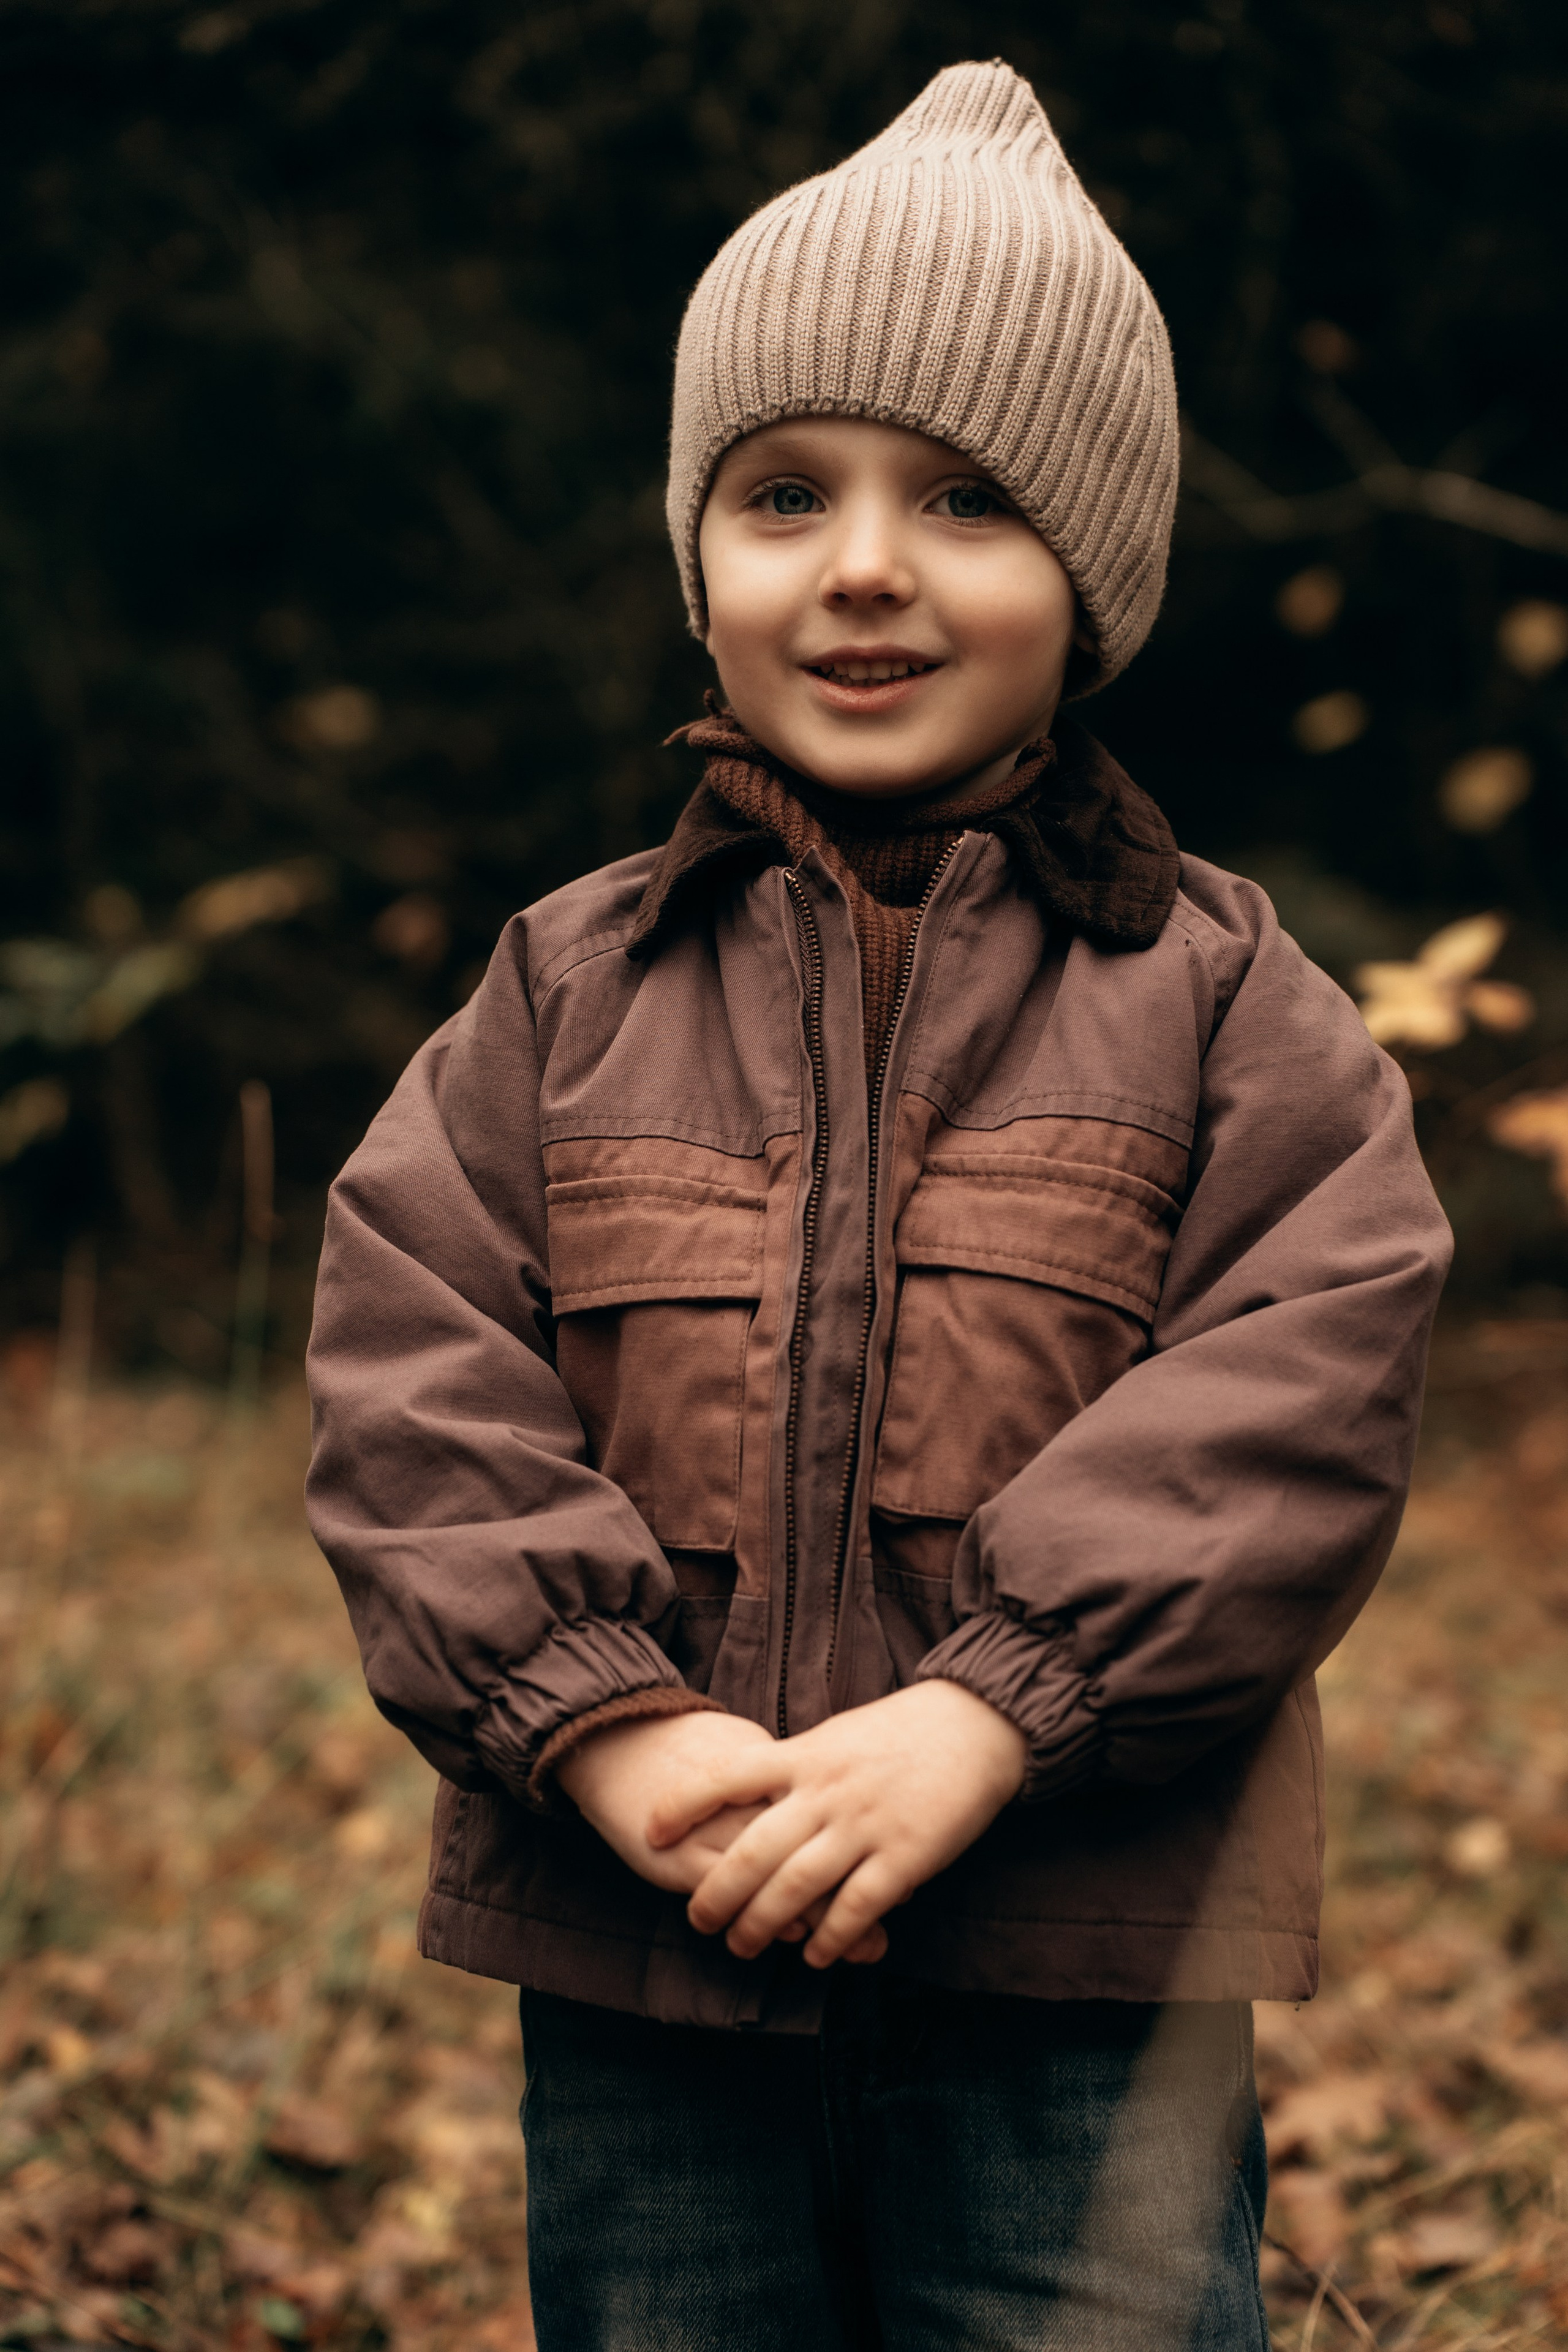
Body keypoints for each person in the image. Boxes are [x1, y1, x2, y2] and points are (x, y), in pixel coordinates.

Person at [306, 59, 1450, 2351]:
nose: (860, 566)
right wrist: (600, 1719)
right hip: (652, 1937)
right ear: (698, 559)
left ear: (1092, 581)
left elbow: (1301, 1382)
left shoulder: (1223, 1000)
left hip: (1078, 1974)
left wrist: (1000, 1708)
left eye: (965, 500)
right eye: (781, 492)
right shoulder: (568, 986)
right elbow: (413, 1370)